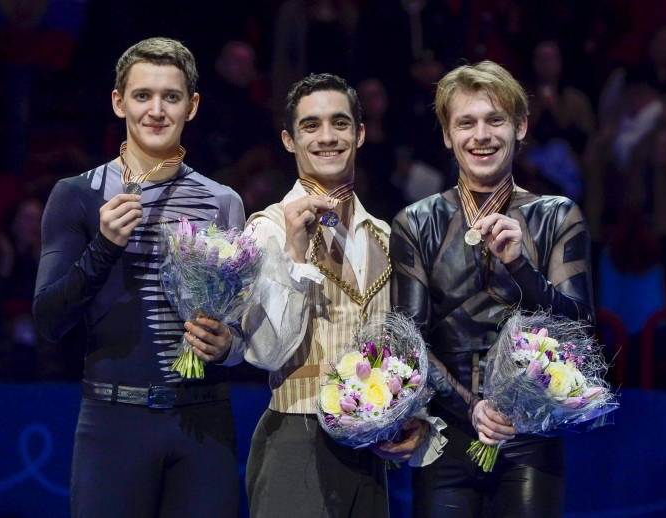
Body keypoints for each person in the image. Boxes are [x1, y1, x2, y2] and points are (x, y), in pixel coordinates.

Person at [33, 38, 245, 518]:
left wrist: (230, 345)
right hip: (114, 424)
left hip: (205, 424)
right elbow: (49, 320)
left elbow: (245, 324)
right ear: (118, 102)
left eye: (171, 97)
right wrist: (104, 246)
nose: (156, 110)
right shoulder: (78, 194)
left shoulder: (222, 201)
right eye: (142, 95)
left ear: (192, 106)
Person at [390, 61, 594, 517]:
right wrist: (472, 408)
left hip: (532, 443)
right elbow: (410, 341)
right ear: (448, 134)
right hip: (445, 440)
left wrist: (520, 265)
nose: (481, 135)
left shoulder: (557, 215)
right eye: (466, 122)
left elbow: (579, 330)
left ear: (520, 127)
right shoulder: (415, 222)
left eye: (495, 120)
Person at [238, 73, 445, 518]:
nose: (327, 137)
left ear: (360, 133)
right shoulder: (267, 228)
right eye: (310, 126)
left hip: (370, 451)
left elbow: (399, 346)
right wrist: (295, 255)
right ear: (289, 140)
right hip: (296, 438)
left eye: (339, 123)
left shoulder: (384, 235)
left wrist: (414, 414)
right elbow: (264, 352)